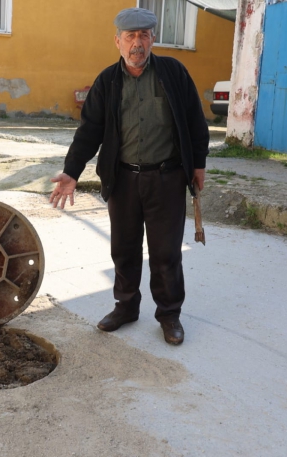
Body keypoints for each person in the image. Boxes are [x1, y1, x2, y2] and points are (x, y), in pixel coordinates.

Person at [49, 7, 209, 345]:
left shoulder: (173, 72)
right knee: (123, 248)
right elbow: (89, 130)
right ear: (118, 41)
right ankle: (126, 306)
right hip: (122, 179)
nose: (137, 43)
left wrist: (198, 165)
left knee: (166, 252)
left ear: (153, 38)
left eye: (143, 35)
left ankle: (169, 315)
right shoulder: (107, 81)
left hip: (166, 177)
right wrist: (71, 171)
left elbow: (195, 120)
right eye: (130, 37)